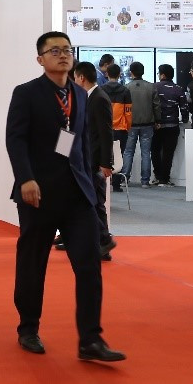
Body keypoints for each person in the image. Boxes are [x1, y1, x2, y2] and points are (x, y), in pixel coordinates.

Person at [5, 32, 124, 363]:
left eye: (67, 50)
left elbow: (79, 141)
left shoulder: (80, 95)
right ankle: (28, 328)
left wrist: (91, 182)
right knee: (33, 264)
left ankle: (91, 339)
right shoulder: (27, 93)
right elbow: (15, 139)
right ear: (40, 59)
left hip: (76, 195)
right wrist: (26, 178)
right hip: (38, 193)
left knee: (89, 265)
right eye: (54, 50)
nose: (62, 55)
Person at [72, 62, 117, 259]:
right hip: (83, 160)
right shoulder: (86, 98)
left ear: (81, 78)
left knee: (93, 202)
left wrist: (106, 163)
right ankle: (97, 242)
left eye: (75, 77)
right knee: (89, 202)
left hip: (95, 161)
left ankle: (103, 241)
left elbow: (106, 133)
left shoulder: (99, 98)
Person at [121, 62, 158, 188]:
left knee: (128, 152)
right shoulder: (151, 87)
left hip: (130, 125)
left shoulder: (126, 87)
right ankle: (145, 181)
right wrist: (157, 120)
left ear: (131, 72)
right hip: (148, 124)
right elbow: (156, 105)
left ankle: (125, 178)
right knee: (146, 153)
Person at [151, 65, 186, 187]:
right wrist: (185, 119)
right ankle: (164, 179)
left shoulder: (154, 87)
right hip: (172, 125)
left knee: (155, 151)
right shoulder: (178, 89)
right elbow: (184, 107)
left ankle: (157, 176)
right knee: (168, 153)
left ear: (162, 75)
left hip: (157, 125)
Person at [100, 64, 131, 192]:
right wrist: (127, 126)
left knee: (103, 155)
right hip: (120, 129)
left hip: (104, 128)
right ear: (119, 75)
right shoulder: (125, 91)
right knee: (119, 156)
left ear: (107, 74)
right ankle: (117, 184)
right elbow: (128, 112)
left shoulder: (101, 89)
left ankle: (104, 184)